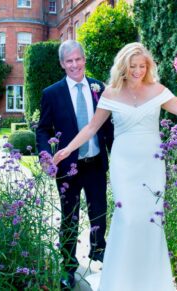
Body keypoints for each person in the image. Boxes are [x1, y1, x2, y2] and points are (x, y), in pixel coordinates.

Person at [53, 42, 177, 291]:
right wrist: (68, 149)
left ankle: (150, 281)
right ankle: (120, 281)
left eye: (142, 66)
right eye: (133, 66)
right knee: (129, 218)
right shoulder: (110, 93)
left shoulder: (158, 90)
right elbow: (91, 127)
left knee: (150, 219)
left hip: (151, 164)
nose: (137, 70)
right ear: (123, 66)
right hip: (124, 165)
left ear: (148, 66)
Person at [36, 40, 113, 290]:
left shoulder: (98, 87)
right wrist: (46, 156)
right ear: (62, 64)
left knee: (99, 212)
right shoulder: (52, 93)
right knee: (69, 217)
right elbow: (43, 129)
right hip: (68, 167)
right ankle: (68, 267)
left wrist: (118, 156)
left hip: (95, 163)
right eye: (69, 61)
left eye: (78, 59)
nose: (74, 65)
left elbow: (108, 127)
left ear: (84, 59)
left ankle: (98, 255)